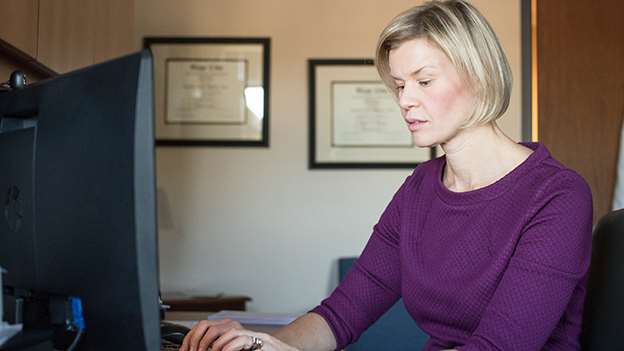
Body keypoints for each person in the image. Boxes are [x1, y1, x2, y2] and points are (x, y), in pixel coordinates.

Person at [179, 1, 593, 350]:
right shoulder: (420, 188)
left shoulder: (557, 196)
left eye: (424, 81)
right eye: (399, 85)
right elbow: (342, 313)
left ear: (480, 76)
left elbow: (499, 347)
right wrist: (266, 345)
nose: (406, 100)